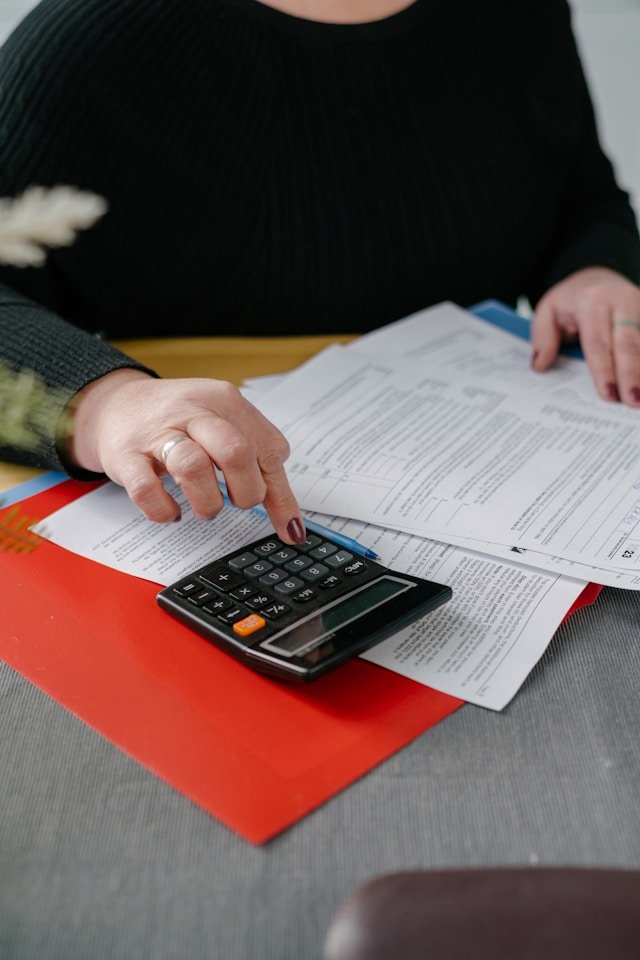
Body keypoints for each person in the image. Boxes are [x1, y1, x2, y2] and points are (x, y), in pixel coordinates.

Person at [0, 0, 639, 543]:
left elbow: (583, 193)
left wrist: (596, 267)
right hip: (185, 509)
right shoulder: (93, 38)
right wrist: (102, 405)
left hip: (506, 477)